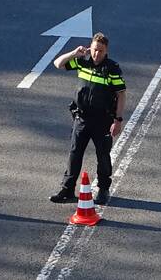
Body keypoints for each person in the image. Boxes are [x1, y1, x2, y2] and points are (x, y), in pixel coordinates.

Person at [50, 32, 127, 206]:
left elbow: (121, 94)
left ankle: (103, 189)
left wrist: (118, 120)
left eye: (100, 51)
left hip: (102, 121)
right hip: (81, 118)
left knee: (103, 156)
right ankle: (67, 189)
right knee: (74, 154)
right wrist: (74, 53)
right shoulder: (82, 62)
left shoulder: (111, 69)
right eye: (94, 50)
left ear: (106, 51)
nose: (96, 54)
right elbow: (58, 64)